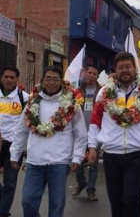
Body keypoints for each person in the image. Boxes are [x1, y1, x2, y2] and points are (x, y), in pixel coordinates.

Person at [88, 52, 140, 217]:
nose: (124, 70)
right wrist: (92, 146)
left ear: (135, 69)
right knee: (115, 200)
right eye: (121, 67)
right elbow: (95, 121)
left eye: (128, 66)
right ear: (115, 70)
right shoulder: (105, 93)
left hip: (136, 155)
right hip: (111, 155)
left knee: (131, 198)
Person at [10, 66, 87, 217]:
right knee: (27, 201)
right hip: (34, 161)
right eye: (48, 79)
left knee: (57, 205)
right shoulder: (32, 102)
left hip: (59, 162)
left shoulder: (71, 104)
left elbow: (80, 133)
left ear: (61, 82)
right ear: (42, 81)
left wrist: (77, 157)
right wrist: (15, 154)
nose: (51, 82)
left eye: (55, 79)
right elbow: (21, 130)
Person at [0, 67, 29, 217]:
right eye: (6, 76)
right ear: (1, 78)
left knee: (10, 182)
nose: (9, 80)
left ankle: (3, 212)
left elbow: (28, 123)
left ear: (17, 79)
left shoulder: (24, 97)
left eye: (12, 77)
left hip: (13, 146)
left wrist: (25, 147)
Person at [73, 65, 101, 201]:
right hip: (80, 131)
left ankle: (91, 190)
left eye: (94, 73)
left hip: (95, 131)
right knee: (77, 159)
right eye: (89, 72)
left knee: (93, 162)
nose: (91, 75)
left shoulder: (102, 92)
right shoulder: (78, 91)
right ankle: (81, 182)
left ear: (97, 76)